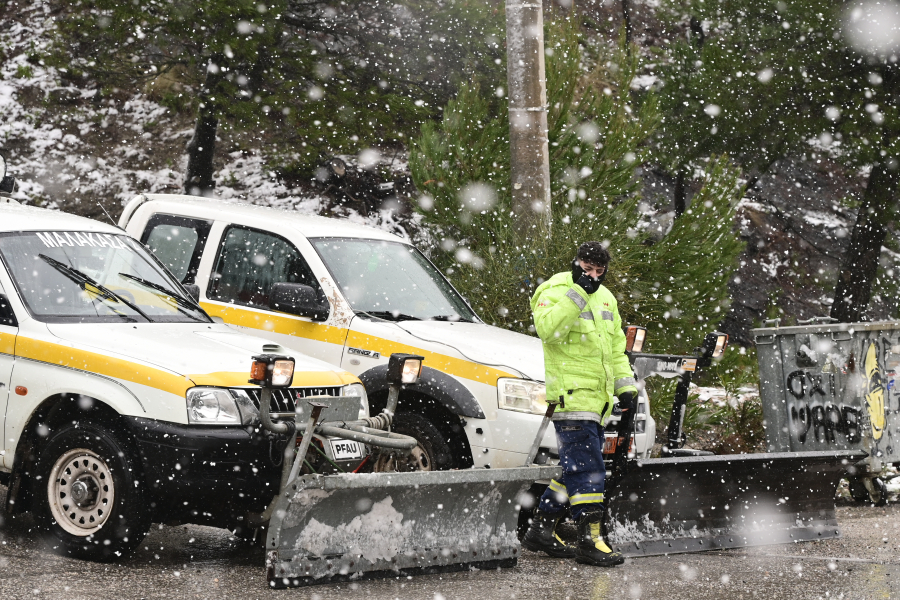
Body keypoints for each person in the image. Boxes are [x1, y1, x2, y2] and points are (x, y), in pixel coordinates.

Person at [522, 241, 638, 567]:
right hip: (570, 397)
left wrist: (625, 386)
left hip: (597, 401)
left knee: (575, 469)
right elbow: (548, 330)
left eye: (600, 271)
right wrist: (578, 293)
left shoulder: (607, 298)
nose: (593, 276)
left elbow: (616, 350)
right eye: (587, 269)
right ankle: (590, 540)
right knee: (588, 470)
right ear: (575, 263)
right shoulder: (555, 289)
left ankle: (541, 530)